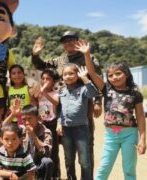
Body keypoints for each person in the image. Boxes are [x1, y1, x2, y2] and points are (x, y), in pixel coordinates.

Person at [32, 31, 103, 177]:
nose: (68, 42)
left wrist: (98, 101)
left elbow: (97, 78)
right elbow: (42, 66)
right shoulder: (60, 60)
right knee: (68, 152)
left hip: (85, 102)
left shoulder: (88, 57)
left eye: (72, 39)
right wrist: (35, 55)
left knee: (86, 149)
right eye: (65, 41)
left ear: (78, 41)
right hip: (63, 102)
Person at [78, 41, 147, 180]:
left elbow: (140, 117)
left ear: (126, 74)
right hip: (111, 135)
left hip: (130, 134)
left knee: (129, 169)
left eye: (118, 73)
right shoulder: (106, 89)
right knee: (104, 168)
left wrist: (143, 140)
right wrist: (87, 54)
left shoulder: (135, 93)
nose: (114, 77)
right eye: (110, 75)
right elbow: (91, 72)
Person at [56, 64, 98, 180]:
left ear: (77, 75)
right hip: (66, 129)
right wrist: (59, 123)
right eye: (65, 74)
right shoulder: (61, 91)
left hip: (81, 129)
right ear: (62, 77)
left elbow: (93, 93)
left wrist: (85, 78)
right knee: (69, 159)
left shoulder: (84, 89)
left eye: (71, 74)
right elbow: (59, 109)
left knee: (84, 160)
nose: (68, 76)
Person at [36, 68, 61, 178]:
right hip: (41, 124)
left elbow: (55, 102)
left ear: (54, 81)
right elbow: (35, 98)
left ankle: (55, 174)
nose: (45, 81)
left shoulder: (56, 93)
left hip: (52, 123)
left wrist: (44, 92)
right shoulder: (39, 93)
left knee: (54, 150)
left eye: (48, 79)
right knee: (42, 149)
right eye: (43, 78)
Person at [20, 105, 54, 180]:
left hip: (38, 165)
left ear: (37, 118)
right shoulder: (21, 130)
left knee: (47, 162)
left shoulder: (46, 131)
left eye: (29, 119)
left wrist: (33, 134)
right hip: (24, 165)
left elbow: (46, 153)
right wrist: (13, 115)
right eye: (24, 119)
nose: (27, 122)